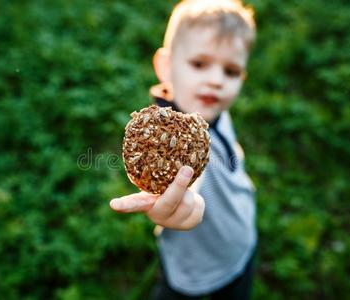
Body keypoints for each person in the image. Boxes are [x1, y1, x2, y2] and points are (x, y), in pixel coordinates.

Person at [110, 0, 257, 298]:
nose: (216, 81)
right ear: (166, 66)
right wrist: (179, 210)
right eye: (199, 64)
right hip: (194, 272)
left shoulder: (212, 111)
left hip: (242, 249)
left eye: (230, 71)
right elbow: (188, 192)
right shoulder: (165, 146)